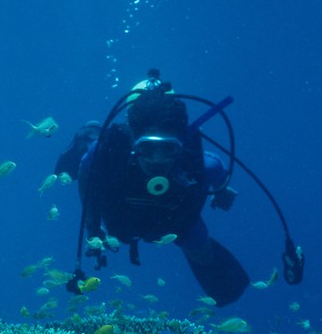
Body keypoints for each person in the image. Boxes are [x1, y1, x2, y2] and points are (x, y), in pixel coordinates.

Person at [60, 70, 251, 306]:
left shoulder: (203, 164)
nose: (157, 160)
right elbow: (85, 172)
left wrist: (221, 191)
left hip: (173, 221)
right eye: (147, 149)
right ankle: (89, 133)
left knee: (203, 255)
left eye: (168, 149)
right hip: (122, 219)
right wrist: (93, 227)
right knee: (99, 146)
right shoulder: (103, 154)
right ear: (133, 143)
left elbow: (217, 173)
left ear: (180, 146)